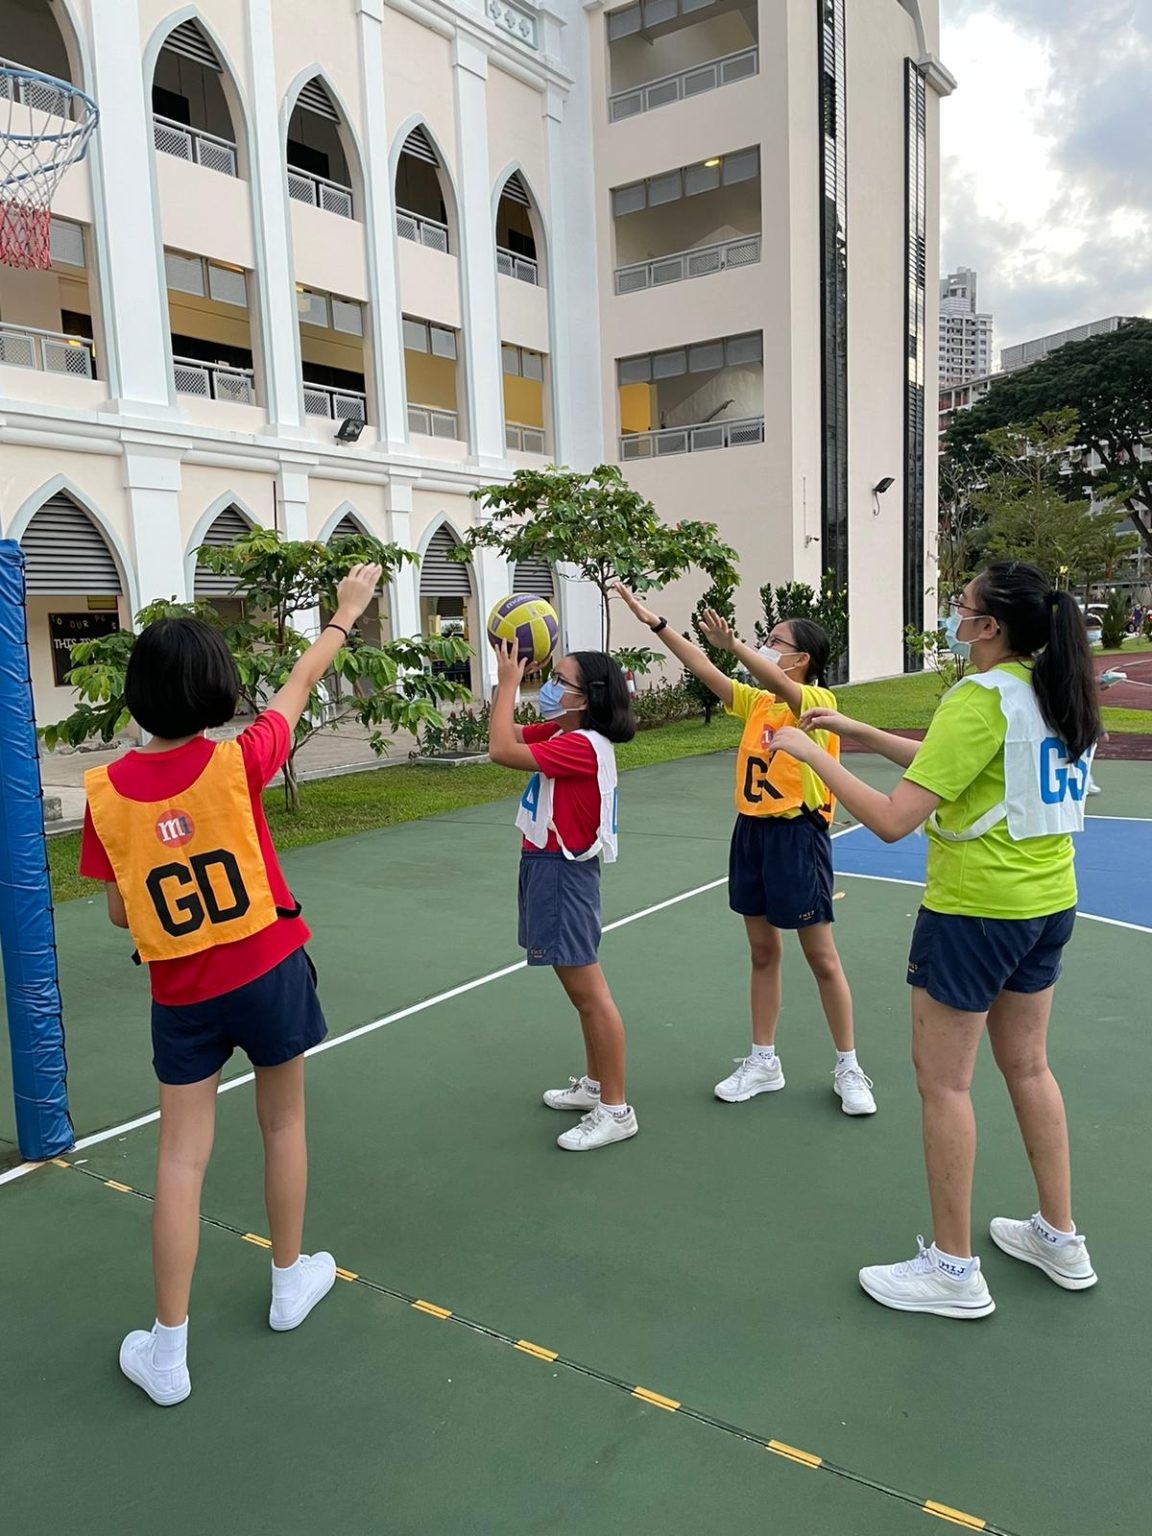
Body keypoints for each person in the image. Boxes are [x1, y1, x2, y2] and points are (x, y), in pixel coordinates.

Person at [80, 563, 383, 1403]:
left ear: (135, 695)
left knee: (181, 1159)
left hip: (183, 993)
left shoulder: (104, 796)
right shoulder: (241, 760)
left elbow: (117, 915)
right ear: (216, 691)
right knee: (283, 1123)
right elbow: (299, 684)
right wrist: (345, 613)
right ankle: (289, 1282)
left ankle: (168, 1349)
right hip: (269, 967)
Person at [770, 561, 1100, 1319]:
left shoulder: (977, 697)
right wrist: (856, 731)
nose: (954, 615)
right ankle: (1060, 1234)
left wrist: (814, 754)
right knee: (1029, 1067)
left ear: (988, 628)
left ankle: (954, 1271)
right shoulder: (1051, 692)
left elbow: (892, 821)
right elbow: (956, 771)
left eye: (963, 607)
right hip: (1047, 904)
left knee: (945, 1084)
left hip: (975, 911)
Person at [613, 583, 876, 1117]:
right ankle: (764, 1061)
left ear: (801, 659)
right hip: (751, 834)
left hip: (797, 836)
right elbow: (705, 669)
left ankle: (849, 1066)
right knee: (762, 952)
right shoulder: (756, 704)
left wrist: (736, 647)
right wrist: (654, 622)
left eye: (775, 640)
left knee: (821, 957)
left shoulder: (819, 703)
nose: (766, 645)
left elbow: (773, 679)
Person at [487, 640, 639, 1152]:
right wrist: (506, 687)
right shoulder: (564, 731)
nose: (549, 687)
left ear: (587, 697)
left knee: (590, 993)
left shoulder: (582, 744)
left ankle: (616, 1109)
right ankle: (596, 1087)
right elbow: (508, 732)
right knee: (580, 992)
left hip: (564, 871)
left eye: (560, 681)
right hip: (545, 862)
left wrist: (509, 683)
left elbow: (500, 751)